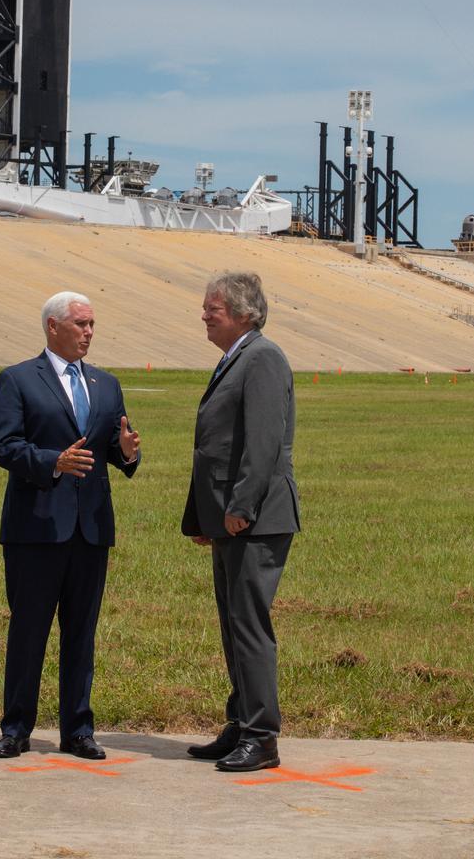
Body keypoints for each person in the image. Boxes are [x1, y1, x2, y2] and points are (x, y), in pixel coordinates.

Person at [0, 292, 141, 761]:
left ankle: (78, 730)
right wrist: (52, 462)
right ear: (53, 327)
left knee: (81, 634)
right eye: (80, 323)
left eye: (93, 323)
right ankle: (16, 729)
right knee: (29, 632)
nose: (89, 332)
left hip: (90, 530)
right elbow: (4, 446)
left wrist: (129, 452)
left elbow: (112, 451)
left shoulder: (106, 383)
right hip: (35, 530)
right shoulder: (18, 379)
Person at [181, 272, 300, 772]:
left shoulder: (263, 358)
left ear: (244, 314)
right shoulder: (236, 358)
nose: (205, 315)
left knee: (249, 627)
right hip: (230, 520)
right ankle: (241, 722)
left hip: (254, 519)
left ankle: (261, 737)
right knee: (233, 626)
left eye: (214, 308)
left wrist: (241, 508)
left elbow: (264, 442)